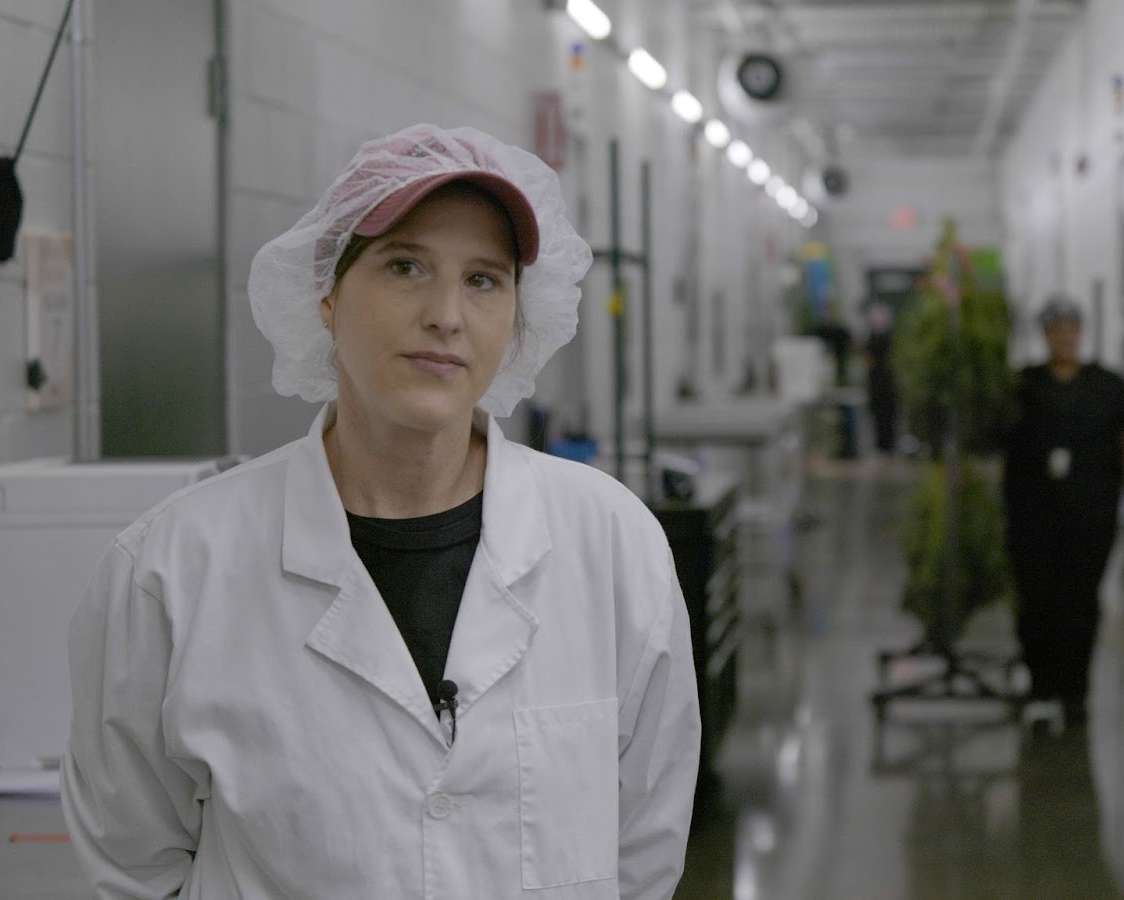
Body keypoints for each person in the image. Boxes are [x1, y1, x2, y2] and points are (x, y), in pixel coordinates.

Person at [62, 124, 702, 898]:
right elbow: (131, 866)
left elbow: (645, 847)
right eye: (405, 267)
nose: (446, 315)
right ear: (325, 296)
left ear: (517, 316)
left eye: (484, 280)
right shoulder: (171, 568)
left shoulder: (612, 544)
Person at [1003, 295, 1124, 728]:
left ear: (1081, 333)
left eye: (1071, 329)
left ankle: (1074, 691)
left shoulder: (1109, 387)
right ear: (1044, 336)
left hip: (1090, 515)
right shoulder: (1023, 386)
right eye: (1055, 330)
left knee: (1080, 603)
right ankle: (1040, 686)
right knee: (1035, 602)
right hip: (1032, 516)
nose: (1064, 337)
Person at [863, 303, 899, 455]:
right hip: (889, 381)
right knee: (889, 415)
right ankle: (889, 443)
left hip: (877, 383)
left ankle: (882, 444)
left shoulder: (872, 339)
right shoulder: (891, 338)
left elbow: (869, 361)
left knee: (879, 415)